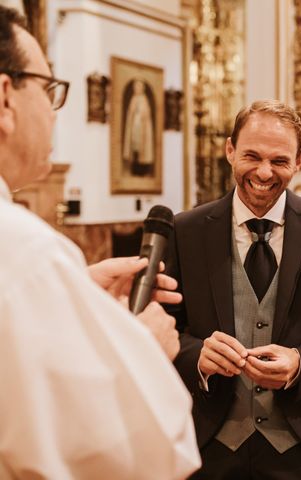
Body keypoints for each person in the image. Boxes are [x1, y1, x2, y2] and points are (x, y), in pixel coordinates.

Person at [0, 7, 200, 478]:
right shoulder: (26, 252)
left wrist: (74, 294)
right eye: (48, 90)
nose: (54, 111)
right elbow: (130, 456)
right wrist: (143, 351)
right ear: (5, 98)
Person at [164, 99, 301, 479]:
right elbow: (161, 330)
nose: (263, 172)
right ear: (229, 150)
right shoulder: (186, 230)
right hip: (208, 443)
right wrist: (198, 356)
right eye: (251, 156)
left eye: (279, 161)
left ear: (299, 160)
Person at [123, 78, 154, 177]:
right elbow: (130, 113)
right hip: (134, 128)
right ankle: (134, 168)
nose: (136, 88)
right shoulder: (133, 99)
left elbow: (146, 114)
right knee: (134, 150)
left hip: (142, 129)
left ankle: (142, 170)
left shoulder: (144, 99)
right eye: (135, 87)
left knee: (142, 151)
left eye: (138, 86)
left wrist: (141, 115)